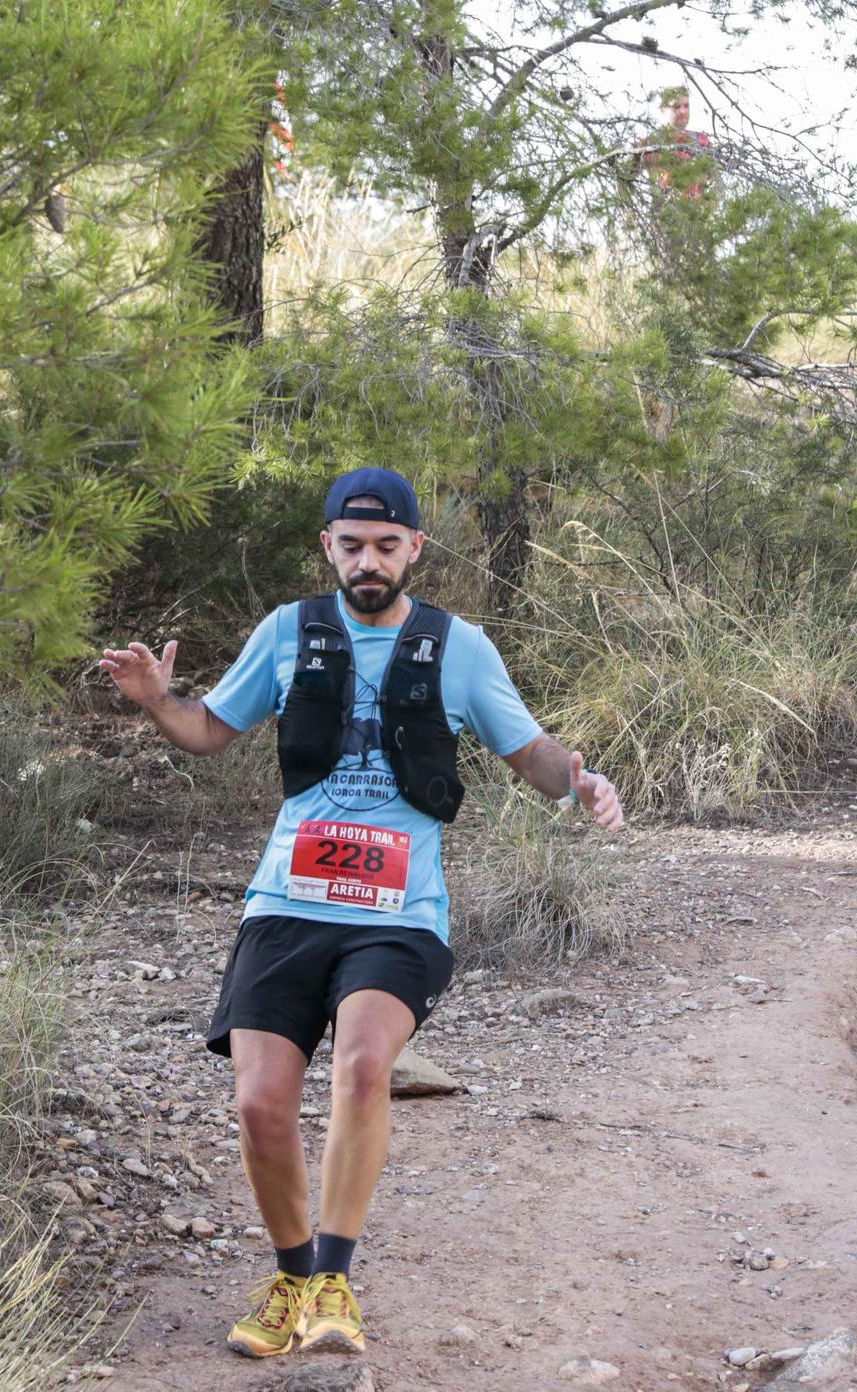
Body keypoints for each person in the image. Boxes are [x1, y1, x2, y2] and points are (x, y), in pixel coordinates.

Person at [98, 467, 625, 1358]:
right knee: (262, 1103)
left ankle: (335, 1279)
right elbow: (208, 730)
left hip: (399, 909)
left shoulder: (458, 646)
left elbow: (526, 749)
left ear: (415, 547)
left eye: (387, 547)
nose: (369, 562)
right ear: (328, 548)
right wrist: (155, 699)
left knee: (362, 1065)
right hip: (287, 902)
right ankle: (292, 1277)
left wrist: (580, 780)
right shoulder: (288, 632)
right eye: (352, 547)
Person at [642, 85, 712, 199]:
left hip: (697, 211)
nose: (683, 111)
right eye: (676, 106)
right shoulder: (652, 143)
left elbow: (715, 182)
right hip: (664, 210)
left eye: (686, 106)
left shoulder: (702, 141)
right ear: (663, 109)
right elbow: (627, 180)